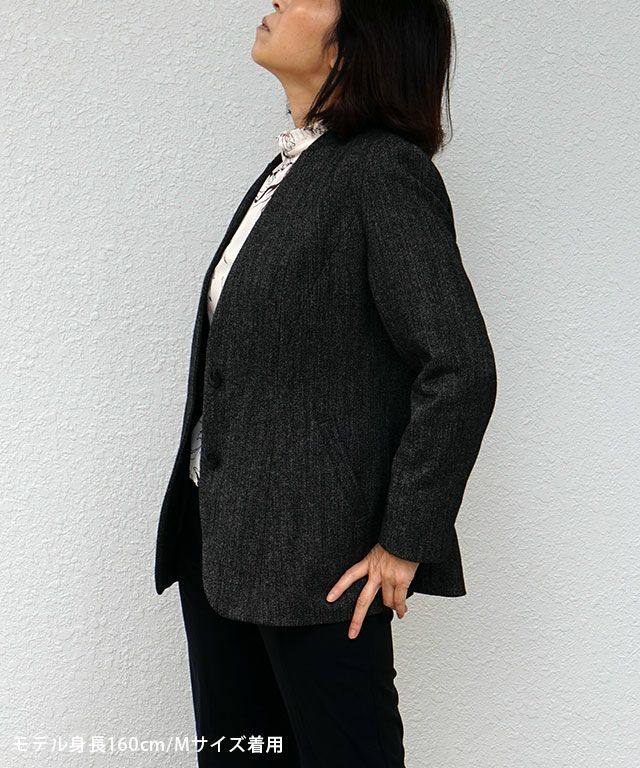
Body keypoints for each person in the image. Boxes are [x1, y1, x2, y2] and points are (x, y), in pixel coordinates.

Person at [154, 1, 497, 766]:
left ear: (358, 41)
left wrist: (405, 541)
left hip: (318, 569)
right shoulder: (294, 168)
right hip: (219, 545)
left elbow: (460, 366)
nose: (278, 1)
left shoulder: (382, 171)